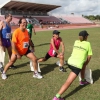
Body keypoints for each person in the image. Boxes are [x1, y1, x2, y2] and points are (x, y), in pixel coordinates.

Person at [52, 30, 93, 100]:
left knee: (82, 66)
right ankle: (57, 97)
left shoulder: (76, 41)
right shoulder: (88, 44)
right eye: (87, 36)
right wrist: (86, 63)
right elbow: (89, 56)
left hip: (70, 62)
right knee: (68, 81)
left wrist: (84, 64)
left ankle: (82, 81)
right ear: (86, 37)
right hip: (76, 65)